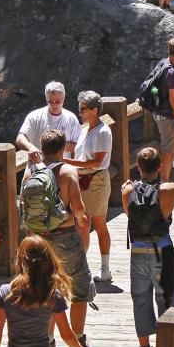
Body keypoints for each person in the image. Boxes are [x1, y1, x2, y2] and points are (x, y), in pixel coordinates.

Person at [28, 128, 103, 347]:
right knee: (80, 287)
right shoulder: (69, 172)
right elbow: (79, 209)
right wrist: (80, 218)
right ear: (62, 150)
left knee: (46, 287)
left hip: (39, 239)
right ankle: (77, 342)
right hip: (65, 236)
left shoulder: (31, 173)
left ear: (42, 149)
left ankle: (47, 343)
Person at [121, 147, 174, 347]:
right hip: (162, 250)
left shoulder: (127, 192)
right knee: (166, 297)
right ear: (159, 166)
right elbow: (168, 184)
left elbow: (130, 210)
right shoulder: (169, 190)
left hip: (138, 250)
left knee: (141, 299)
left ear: (138, 167)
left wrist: (131, 185)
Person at [62, 91, 113, 281]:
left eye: (84, 109)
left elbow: (97, 162)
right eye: (80, 108)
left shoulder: (103, 131)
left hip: (96, 180)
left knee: (99, 225)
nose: (80, 112)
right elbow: (79, 153)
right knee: (82, 224)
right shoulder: (84, 130)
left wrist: (67, 162)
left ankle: (105, 268)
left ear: (95, 110)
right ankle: (82, 266)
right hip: (81, 180)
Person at [149, 37, 174, 182]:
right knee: (168, 150)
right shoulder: (173, 72)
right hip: (166, 114)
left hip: (158, 111)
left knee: (171, 148)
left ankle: (165, 180)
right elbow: (173, 101)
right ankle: (164, 182)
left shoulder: (163, 63)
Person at [16, 81, 81, 169]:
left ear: (64, 97)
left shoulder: (71, 118)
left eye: (58, 101)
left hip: (62, 170)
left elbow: (78, 147)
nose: (54, 105)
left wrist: (58, 145)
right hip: (38, 170)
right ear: (46, 98)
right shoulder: (35, 116)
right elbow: (20, 139)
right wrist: (30, 147)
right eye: (50, 101)